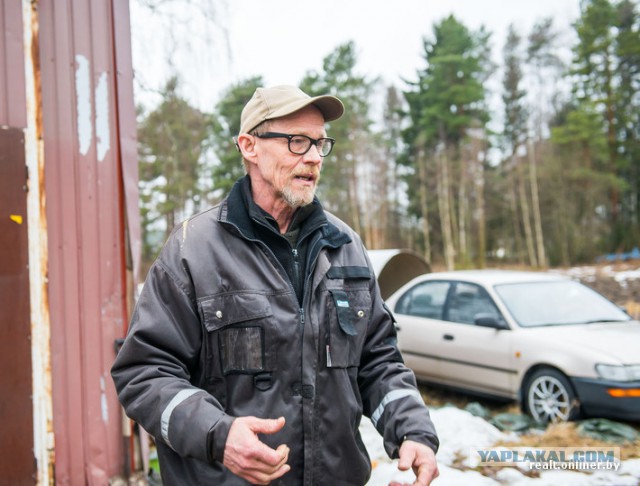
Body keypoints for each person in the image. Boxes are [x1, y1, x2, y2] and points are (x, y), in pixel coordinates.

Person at [111, 85, 439, 485]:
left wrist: (412, 430)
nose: (315, 157)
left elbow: (378, 361)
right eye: (297, 142)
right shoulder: (192, 251)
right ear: (249, 146)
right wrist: (219, 434)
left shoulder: (346, 247)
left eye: (320, 143)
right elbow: (144, 371)